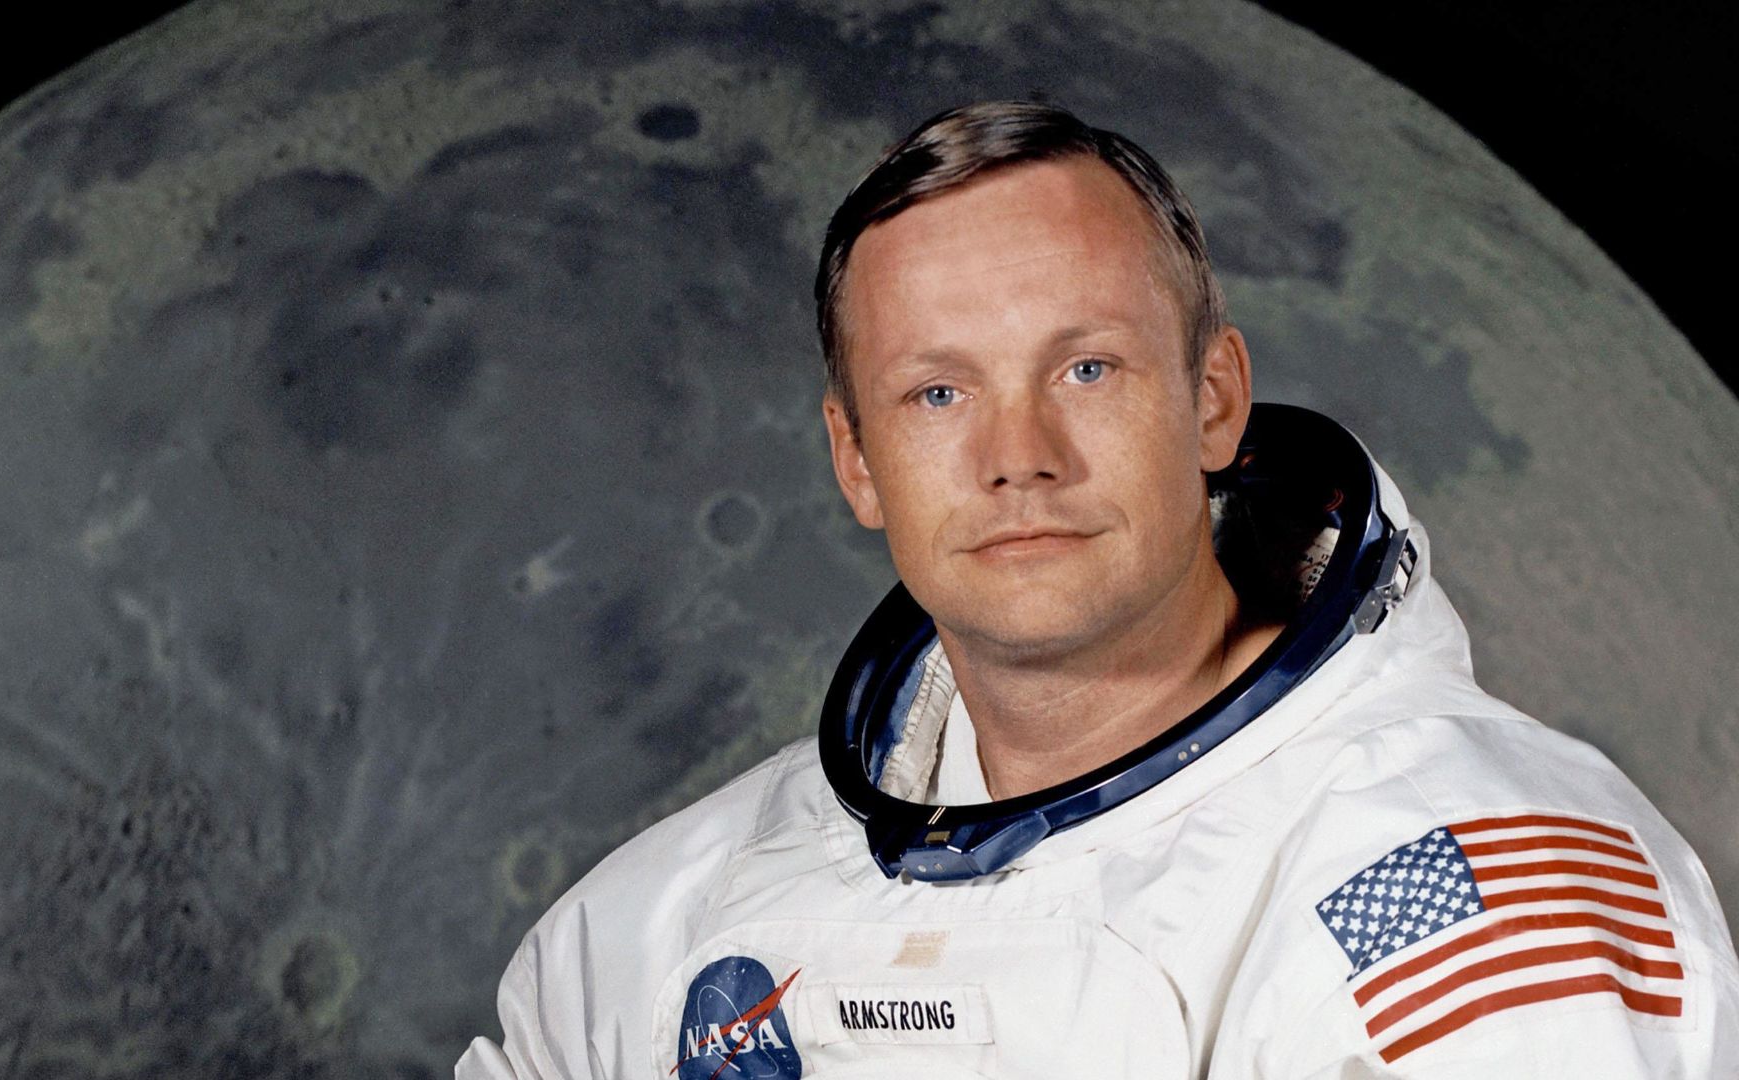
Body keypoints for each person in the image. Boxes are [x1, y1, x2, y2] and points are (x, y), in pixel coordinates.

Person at [456, 101, 1739, 1078]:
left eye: (1087, 371)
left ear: (1214, 401)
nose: (1019, 458)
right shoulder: (671, 924)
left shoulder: (1469, 887)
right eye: (938, 394)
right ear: (857, 460)